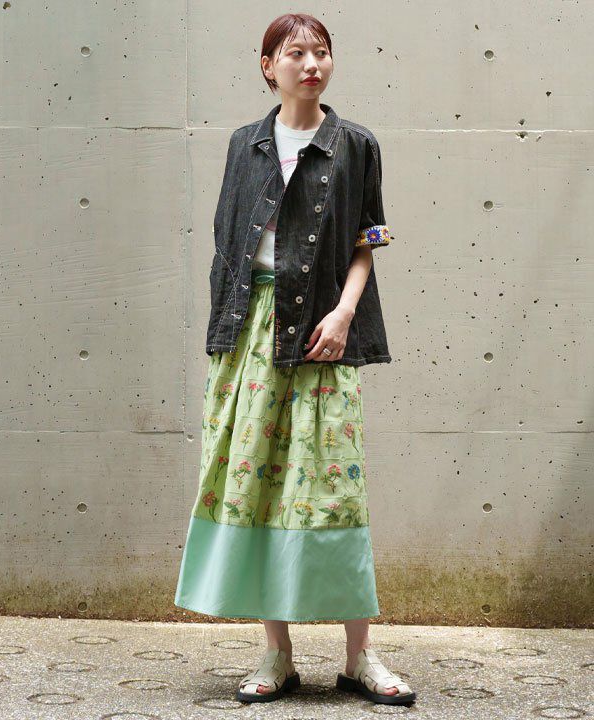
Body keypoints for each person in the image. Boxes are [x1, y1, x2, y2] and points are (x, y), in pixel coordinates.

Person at [174, 12, 416, 707]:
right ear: (268, 66)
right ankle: (276, 652)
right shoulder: (244, 144)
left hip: (321, 330)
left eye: (321, 52)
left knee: (335, 488)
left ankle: (360, 656)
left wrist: (343, 314)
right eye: (295, 53)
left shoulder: (356, 144)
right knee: (257, 481)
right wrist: (227, 334)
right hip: (250, 329)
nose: (311, 64)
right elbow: (228, 240)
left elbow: (369, 239)